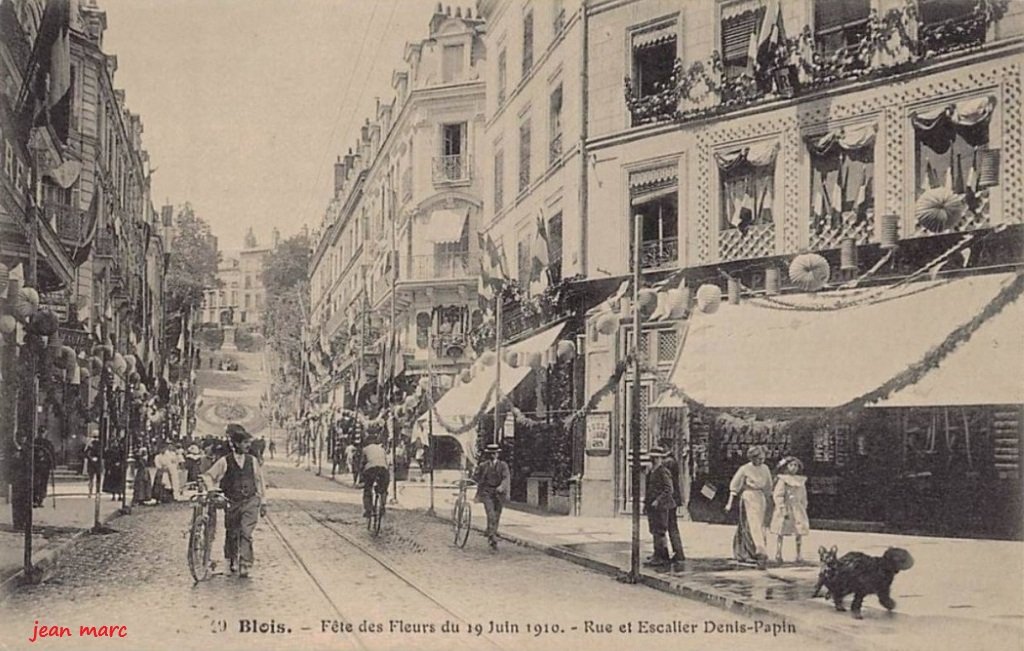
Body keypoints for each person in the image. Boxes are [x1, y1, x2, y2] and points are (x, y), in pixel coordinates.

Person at [201, 424, 267, 578]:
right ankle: (232, 557)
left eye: (248, 443)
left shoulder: (253, 461)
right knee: (232, 532)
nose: (248, 445)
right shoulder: (225, 461)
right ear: (237, 443)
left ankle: (245, 563)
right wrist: (211, 489)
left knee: (246, 531)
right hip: (232, 501)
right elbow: (208, 475)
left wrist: (263, 502)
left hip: (251, 500)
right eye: (245, 443)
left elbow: (260, 482)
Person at [725, 445, 773, 569]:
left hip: (760, 497)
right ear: (752, 458)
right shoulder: (745, 469)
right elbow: (735, 485)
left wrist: (770, 500)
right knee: (751, 523)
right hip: (748, 496)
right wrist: (730, 502)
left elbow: (768, 485)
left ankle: (752, 550)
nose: (761, 461)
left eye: (763, 458)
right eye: (758, 458)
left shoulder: (765, 468)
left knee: (760, 524)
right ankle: (757, 549)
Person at [770, 456, 810, 563]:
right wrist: (782, 508)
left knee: (799, 532)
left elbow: (803, 496)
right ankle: (778, 553)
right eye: (791, 465)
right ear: (786, 467)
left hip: (797, 508)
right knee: (781, 531)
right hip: (786, 507)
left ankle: (798, 554)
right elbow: (778, 495)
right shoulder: (783, 480)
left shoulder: (800, 481)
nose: (794, 468)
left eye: (796, 466)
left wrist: (803, 506)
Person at [643, 447, 676, 566]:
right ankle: (657, 554)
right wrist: (645, 504)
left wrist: (658, 500)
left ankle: (662, 556)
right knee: (654, 530)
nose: (653, 460)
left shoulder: (663, 471)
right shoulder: (651, 470)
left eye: (656, 458)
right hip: (652, 506)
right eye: (652, 457)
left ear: (660, 458)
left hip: (662, 506)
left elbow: (669, 489)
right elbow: (649, 489)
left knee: (660, 531)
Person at [474, 443, 510, 549]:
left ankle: (491, 534)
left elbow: (506, 478)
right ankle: (492, 536)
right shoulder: (483, 466)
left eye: (495, 453)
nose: (493, 455)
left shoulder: (503, 465)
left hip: (499, 493)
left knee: (497, 514)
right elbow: (476, 478)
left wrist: (502, 487)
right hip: (487, 492)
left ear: (498, 454)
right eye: (491, 453)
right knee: (490, 513)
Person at [658, 437, 687, 562]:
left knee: (666, 526)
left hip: (668, 499)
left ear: (666, 447)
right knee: (671, 526)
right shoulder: (672, 460)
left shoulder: (667, 462)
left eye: (662, 447)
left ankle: (666, 554)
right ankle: (677, 552)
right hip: (672, 498)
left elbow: (665, 483)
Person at [360, 437, 389, 518]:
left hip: (371, 469)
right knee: (384, 489)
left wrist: (361, 477)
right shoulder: (381, 449)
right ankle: (382, 506)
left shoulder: (365, 449)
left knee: (367, 489)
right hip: (383, 469)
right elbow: (386, 463)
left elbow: (362, 463)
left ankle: (368, 510)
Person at [32, 431, 56, 508]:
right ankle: (35, 499)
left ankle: (41, 500)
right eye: (40, 432)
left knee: (43, 483)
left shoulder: (48, 443)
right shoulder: (35, 442)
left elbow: (52, 455)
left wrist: (53, 465)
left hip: (45, 467)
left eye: (43, 432)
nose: (41, 434)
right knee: (36, 482)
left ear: (45, 433)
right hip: (36, 466)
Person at [102, 437, 125, 501]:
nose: (115, 444)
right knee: (113, 483)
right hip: (112, 469)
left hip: (119, 469)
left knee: (119, 482)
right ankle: (113, 495)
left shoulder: (121, 450)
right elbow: (107, 460)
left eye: (116, 442)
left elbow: (123, 458)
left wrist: (120, 464)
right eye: (114, 442)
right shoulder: (109, 451)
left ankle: (120, 495)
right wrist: (108, 467)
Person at [83, 433, 102, 497]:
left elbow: (85, 454)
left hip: (93, 464)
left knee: (92, 478)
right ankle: (96, 492)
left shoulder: (90, 445)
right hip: (95, 464)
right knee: (95, 479)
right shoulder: (98, 445)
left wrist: (91, 458)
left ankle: (92, 492)